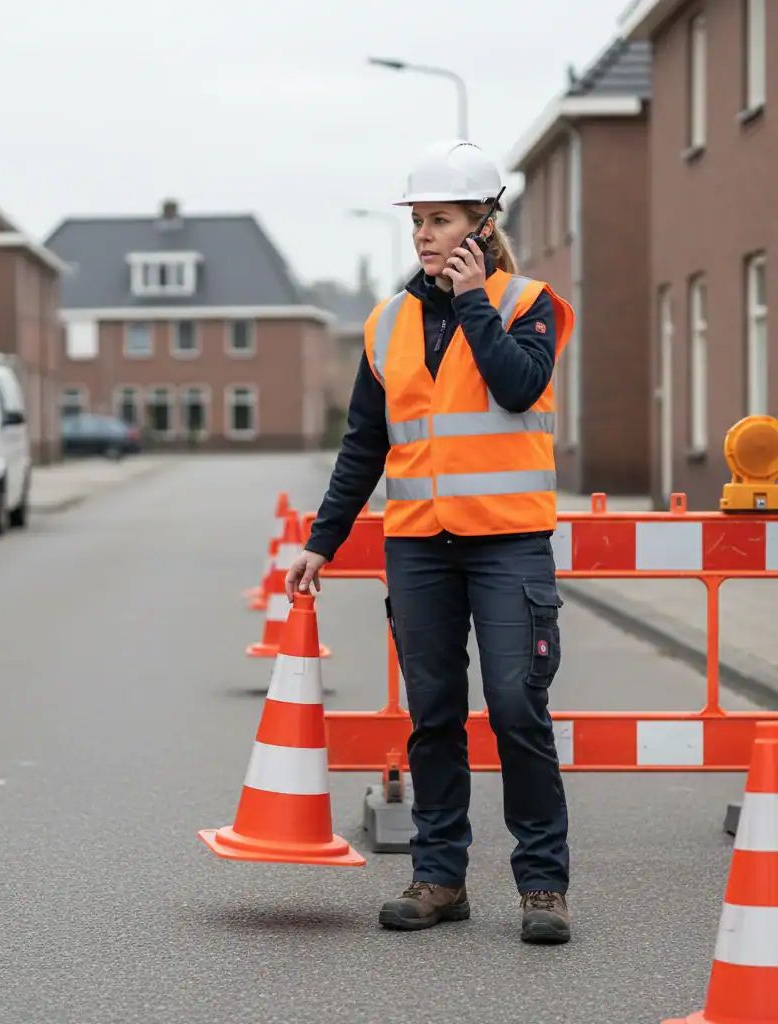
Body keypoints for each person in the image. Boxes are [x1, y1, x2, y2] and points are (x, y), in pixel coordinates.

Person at [286, 139, 575, 945]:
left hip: (509, 543)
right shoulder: (387, 323)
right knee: (434, 713)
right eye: (417, 221)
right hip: (419, 547)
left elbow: (518, 388)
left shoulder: (528, 304)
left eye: (440, 221)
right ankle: (440, 876)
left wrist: (475, 301)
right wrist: (323, 539)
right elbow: (362, 445)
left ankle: (543, 886)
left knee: (518, 709)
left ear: (484, 224)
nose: (423, 236)